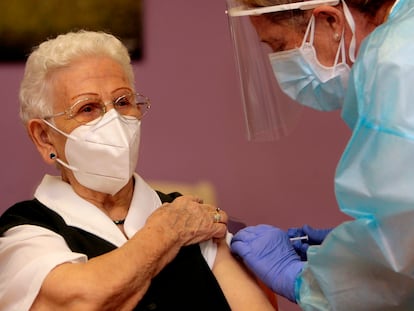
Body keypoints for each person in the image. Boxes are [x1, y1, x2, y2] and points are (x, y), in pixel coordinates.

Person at [0, 30, 276, 311]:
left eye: (123, 102)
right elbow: (81, 300)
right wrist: (166, 233)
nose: (113, 120)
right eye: (88, 108)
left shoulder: (187, 214)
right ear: (44, 137)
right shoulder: (24, 231)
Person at [225, 0, 414, 309]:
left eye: (279, 46)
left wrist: (307, 281)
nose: (279, 63)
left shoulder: (395, 61)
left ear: (330, 20)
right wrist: (358, 245)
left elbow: (402, 252)